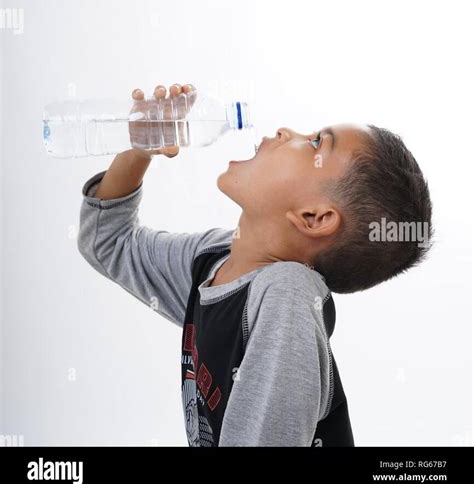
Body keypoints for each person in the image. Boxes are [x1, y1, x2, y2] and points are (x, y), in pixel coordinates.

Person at [77, 82, 433, 447]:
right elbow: (107, 243)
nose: (284, 131)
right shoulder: (216, 258)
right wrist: (140, 150)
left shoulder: (287, 295)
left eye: (314, 143)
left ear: (312, 217)